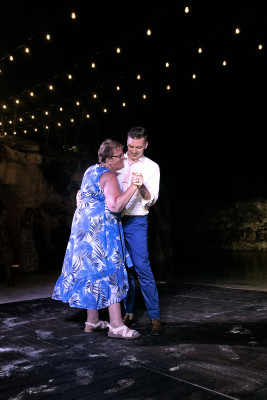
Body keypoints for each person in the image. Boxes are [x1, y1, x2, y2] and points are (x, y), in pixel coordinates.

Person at [52, 139, 143, 340]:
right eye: (120, 155)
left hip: (84, 232)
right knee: (110, 273)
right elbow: (115, 206)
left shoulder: (90, 171)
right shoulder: (109, 175)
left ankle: (92, 321)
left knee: (90, 272)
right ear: (109, 159)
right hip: (101, 232)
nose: (124, 158)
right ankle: (117, 326)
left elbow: (83, 196)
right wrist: (134, 186)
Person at [117, 126, 163, 336]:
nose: (133, 151)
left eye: (138, 147)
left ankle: (155, 316)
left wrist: (142, 185)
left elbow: (150, 199)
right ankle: (128, 312)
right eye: (130, 146)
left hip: (136, 221)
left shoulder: (152, 167)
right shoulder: (117, 160)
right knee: (123, 270)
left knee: (142, 268)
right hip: (115, 221)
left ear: (145, 145)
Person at [0, 201, 15, 286]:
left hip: (4, 238)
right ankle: (9, 280)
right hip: (4, 237)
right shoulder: (4, 212)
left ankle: (9, 280)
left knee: (6, 261)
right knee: (6, 262)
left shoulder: (3, 212)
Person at [20, 207, 39, 273]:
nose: (30, 214)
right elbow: (26, 227)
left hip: (30, 238)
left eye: (31, 213)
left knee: (31, 253)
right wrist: (32, 223)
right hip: (25, 238)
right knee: (25, 253)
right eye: (29, 212)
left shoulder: (30, 219)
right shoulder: (23, 219)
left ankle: (32, 269)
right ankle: (25, 269)